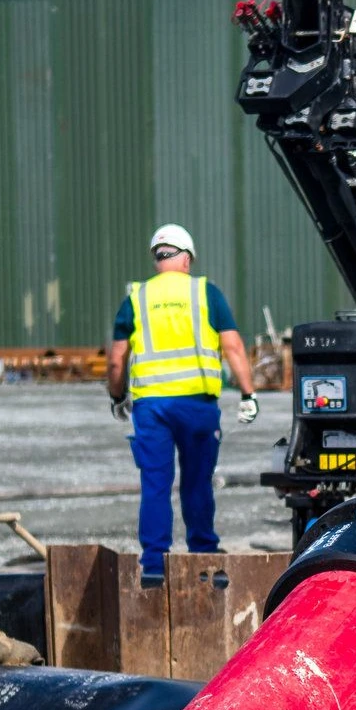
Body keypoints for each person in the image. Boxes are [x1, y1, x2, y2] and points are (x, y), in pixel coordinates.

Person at [105, 223, 259, 583]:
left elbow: (116, 360)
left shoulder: (136, 298)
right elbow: (233, 347)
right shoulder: (206, 293)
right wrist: (249, 394)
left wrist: (117, 396)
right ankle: (204, 560)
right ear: (187, 258)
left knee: (156, 485)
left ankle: (155, 568)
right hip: (197, 407)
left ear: (157, 259)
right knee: (197, 483)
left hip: (152, 409)